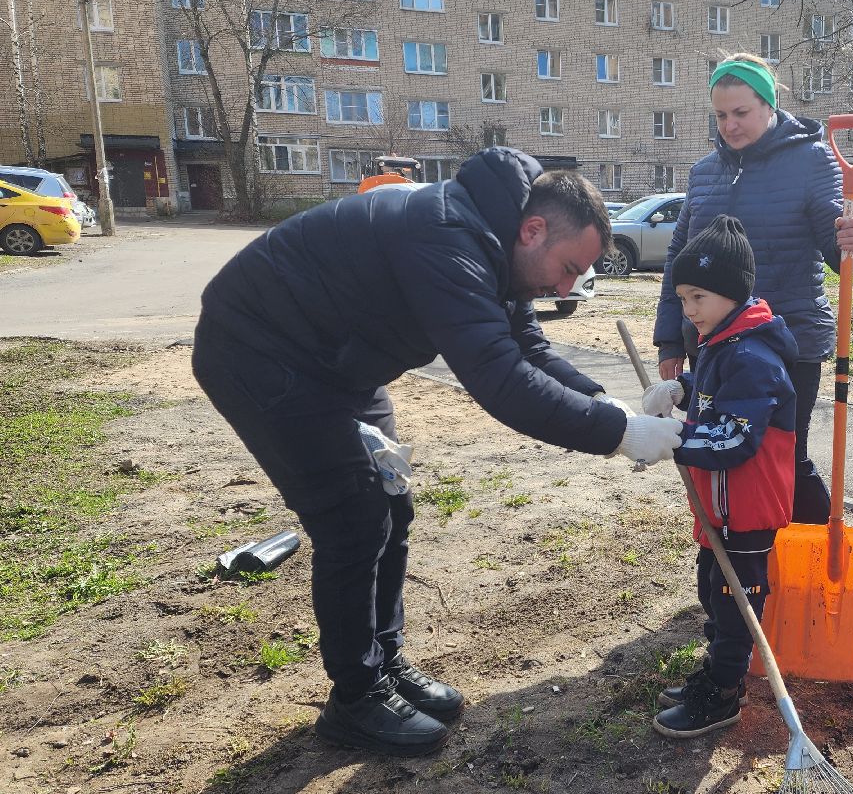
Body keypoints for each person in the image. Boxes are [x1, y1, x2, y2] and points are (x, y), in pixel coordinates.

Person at [191, 148, 682, 757]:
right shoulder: (447, 236)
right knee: (351, 517)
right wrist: (621, 435)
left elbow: (528, 347)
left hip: (340, 364)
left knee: (391, 503)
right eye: (566, 267)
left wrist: (611, 405)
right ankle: (355, 699)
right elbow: (500, 380)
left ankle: (384, 664)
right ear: (533, 230)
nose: (564, 286)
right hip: (260, 354)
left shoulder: (499, 240)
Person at [652, 53, 853, 526]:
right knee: (727, 455)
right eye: (720, 115)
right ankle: (747, 556)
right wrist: (671, 338)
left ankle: (815, 551)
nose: (729, 125)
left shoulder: (813, 160)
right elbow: (679, 260)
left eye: (741, 113)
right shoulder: (704, 172)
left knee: (783, 456)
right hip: (711, 342)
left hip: (787, 340)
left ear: (769, 106)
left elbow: (840, 253)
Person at [640, 215, 797, 738]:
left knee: (735, 609)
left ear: (731, 293)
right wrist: (681, 389)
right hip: (718, 509)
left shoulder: (753, 356)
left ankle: (724, 695)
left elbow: (736, 438)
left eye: (697, 297)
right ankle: (715, 672)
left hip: (748, 511)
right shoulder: (719, 344)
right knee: (712, 590)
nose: (687, 310)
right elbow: (710, 390)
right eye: (681, 297)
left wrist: (676, 440)